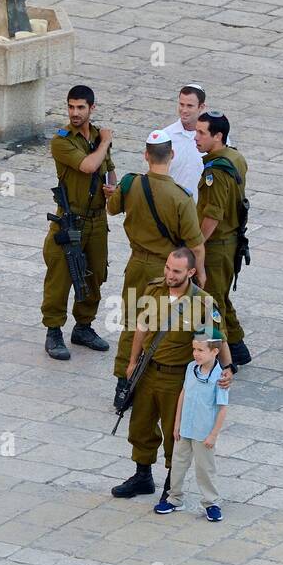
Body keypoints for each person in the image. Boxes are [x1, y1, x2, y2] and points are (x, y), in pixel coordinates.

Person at [112, 248, 232, 499]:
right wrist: (132, 362)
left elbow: (218, 340)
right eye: (167, 268)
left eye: (176, 271)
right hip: (148, 370)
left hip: (177, 377)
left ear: (190, 272)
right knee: (140, 426)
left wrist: (227, 369)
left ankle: (171, 482)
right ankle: (142, 475)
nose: (169, 274)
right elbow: (141, 329)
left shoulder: (203, 302)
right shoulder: (154, 290)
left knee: (174, 430)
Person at [108, 131, 205, 402]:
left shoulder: (131, 184)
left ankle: (122, 385)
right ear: (171, 155)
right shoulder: (181, 197)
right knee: (162, 326)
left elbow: (111, 208)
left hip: (136, 264)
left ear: (146, 155)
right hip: (166, 270)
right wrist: (201, 272)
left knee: (131, 323)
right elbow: (195, 245)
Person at [43, 85, 114, 361]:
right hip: (70, 221)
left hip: (96, 220)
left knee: (95, 274)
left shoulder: (97, 136)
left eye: (80, 107)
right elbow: (88, 166)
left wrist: (112, 190)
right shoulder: (62, 140)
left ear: (91, 109)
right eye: (71, 107)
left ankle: (83, 327)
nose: (75, 113)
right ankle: (53, 330)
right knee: (60, 276)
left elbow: (107, 169)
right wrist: (106, 142)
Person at [154, 326, 230, 521]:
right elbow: (184, 393)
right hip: (185, 428)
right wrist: (177, 422)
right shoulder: (191, 368)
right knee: (178, 463)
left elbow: (222, 408)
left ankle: (211, 502)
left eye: (200, 350)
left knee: (205, 468)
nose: (196, 354)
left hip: (204, 432)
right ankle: (174, 498)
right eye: (194, 349)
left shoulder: (220, 378)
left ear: (214, 351)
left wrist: (213, 434)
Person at [193, 110, 250, 367]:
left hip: (217, 245)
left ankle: (221, 360)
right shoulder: (234, 157)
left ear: (218, 136)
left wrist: (197, 245)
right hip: (232, 242)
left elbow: (212, 216)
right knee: (221, 296)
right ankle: (237, 345)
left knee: (210, 303)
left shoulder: (214, 172)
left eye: (201, 133)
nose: (196, 137)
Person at [161, 84, 207, 197]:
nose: (184, 110)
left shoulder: (212, 138)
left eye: (190, 106)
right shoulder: (166, 136)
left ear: (201, 107)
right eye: (181, 104)